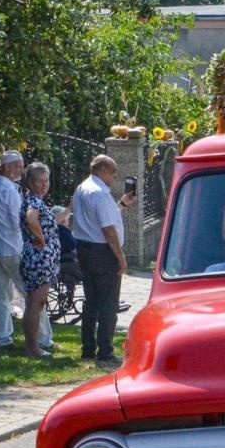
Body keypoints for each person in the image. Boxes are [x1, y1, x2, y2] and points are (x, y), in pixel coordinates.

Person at [71, 154, 134, 364]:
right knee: (108, 302)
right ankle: (105, 350)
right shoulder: (100, 193)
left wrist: (122, 205)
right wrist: (120, 257)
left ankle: (88, 347)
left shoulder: (82, 188)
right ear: (103, 170)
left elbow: (101, 218)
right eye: (113, 173)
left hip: (84, 248)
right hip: (102, 251)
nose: (114, 178)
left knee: (91, 300)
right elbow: (108, 229)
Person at [0, 150, 43, 349]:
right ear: (7, 168)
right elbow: (18, 220)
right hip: (14, 246)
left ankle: (2, 337)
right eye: (17, 166)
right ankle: (43, 338)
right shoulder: (9, 190)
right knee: (34, 293)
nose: (21, 170)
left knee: (1, 295)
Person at [18, 162, 60, 359]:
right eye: (39, 181)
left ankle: (32, 346)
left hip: (40, 258)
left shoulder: (35, 200)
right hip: (39, 259)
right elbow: (31, 219)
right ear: (30, 183)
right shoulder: (33, 202)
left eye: (46, 180)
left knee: (34, 303)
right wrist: (41, 239)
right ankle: (33, 347)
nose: (44, 185)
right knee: (37, 303)